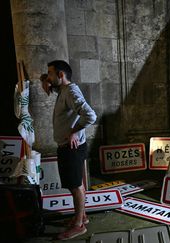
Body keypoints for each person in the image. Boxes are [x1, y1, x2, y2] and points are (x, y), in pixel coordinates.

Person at [40, 60, 97, 240]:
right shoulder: (64, 89)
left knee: (75, 186)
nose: (48, 76)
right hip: (71, 147)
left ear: (61, 75)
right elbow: (56, 87)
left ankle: (79, 226)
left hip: (71, 147)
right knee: (76, 184)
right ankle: (82, 216)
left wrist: (74, 131)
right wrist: (45, 80)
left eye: (50, 73)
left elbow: (90, 115)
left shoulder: (70, 91)